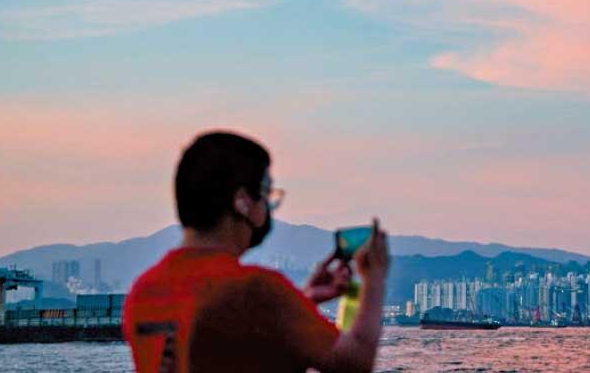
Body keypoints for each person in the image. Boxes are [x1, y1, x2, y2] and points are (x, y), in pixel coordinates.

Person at [122, 130, 390, 373]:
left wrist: (301, 302)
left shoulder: (144, 291)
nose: (269, 207)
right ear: (242, 202)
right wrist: (374, 279)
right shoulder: (255, 289)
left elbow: (222, 341)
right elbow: (355, 362)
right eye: (265, 194)